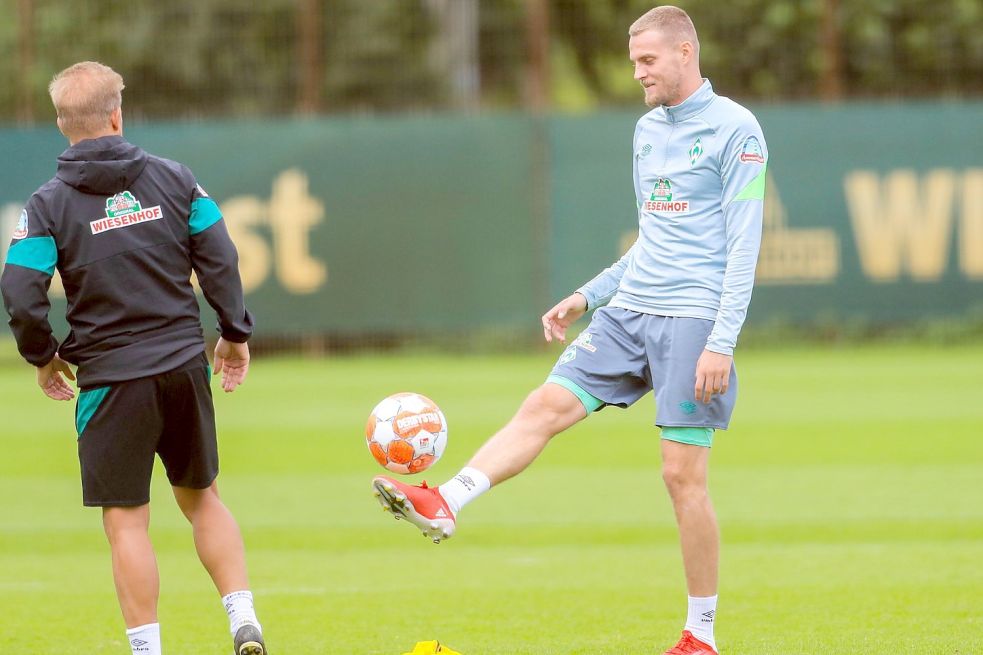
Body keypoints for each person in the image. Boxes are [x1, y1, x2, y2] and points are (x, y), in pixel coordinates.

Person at [372, 6, 767, 655]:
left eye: (647, 61)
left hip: (693, 317)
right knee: (544, 405)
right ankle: (445, 499)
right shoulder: (645, 131)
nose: (636, 72)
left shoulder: (736, 130)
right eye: (633, 60)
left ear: (685, 53)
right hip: (628, 309)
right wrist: (590, 294)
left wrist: (721, 338)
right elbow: (651, 240)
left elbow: (745, 244)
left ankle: (700, 634)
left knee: (680, 476)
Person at [1, 62, 267, 655]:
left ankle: (148, 649)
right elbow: (220, 258)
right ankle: (242, 616)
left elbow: (19, 291)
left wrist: (43, 357)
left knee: (126, 521)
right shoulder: (176, 180)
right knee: (203, 499)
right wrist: (234, 333)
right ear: (117, 114)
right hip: (181, 366)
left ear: (62, 125)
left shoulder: (48, 205)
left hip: (111, 381)